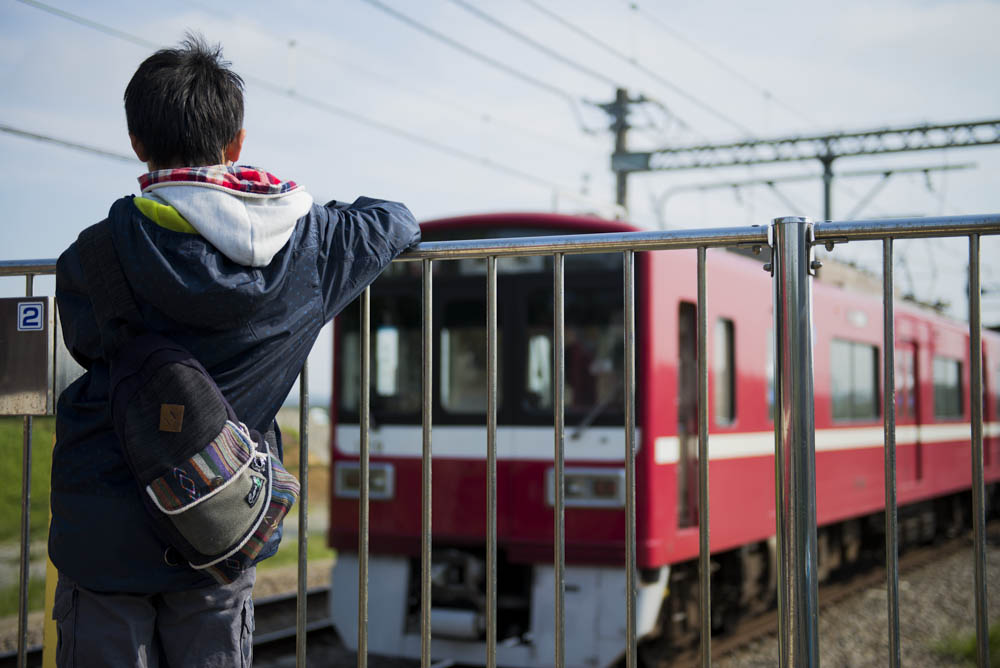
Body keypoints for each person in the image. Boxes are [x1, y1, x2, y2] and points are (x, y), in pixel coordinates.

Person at [49, 34, 420, 667]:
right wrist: (309, 211)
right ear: (237, 144)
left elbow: (87, 346)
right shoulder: (312, 247)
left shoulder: (90, 256)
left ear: (136, 143)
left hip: (102, 526)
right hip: (217, 520)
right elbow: (396, 220)